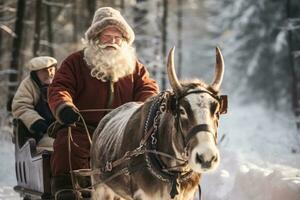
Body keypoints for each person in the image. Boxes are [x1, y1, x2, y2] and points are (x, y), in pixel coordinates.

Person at [48, 7, 159, 199]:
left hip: (121, 131)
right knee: (68, 142)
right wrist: (64, 107)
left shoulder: (135, 67)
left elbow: (148, 89)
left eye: (117, 38)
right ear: (95, 39)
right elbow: (59, 87)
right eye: (107, 37)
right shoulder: (75, 62)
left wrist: (143, 110)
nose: (112, 42)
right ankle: (67, 190)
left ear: (125, 42)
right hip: (83, 126)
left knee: (142, 149)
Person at [11, 56, 57, 151]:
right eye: (44, 71)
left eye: (51, 69)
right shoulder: (27, 85)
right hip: (39, 134)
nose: (49, 73)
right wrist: (35, 121)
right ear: (36, 73)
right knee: (54, 146)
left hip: (60, 129)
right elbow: (21, 106)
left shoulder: (60, 82)